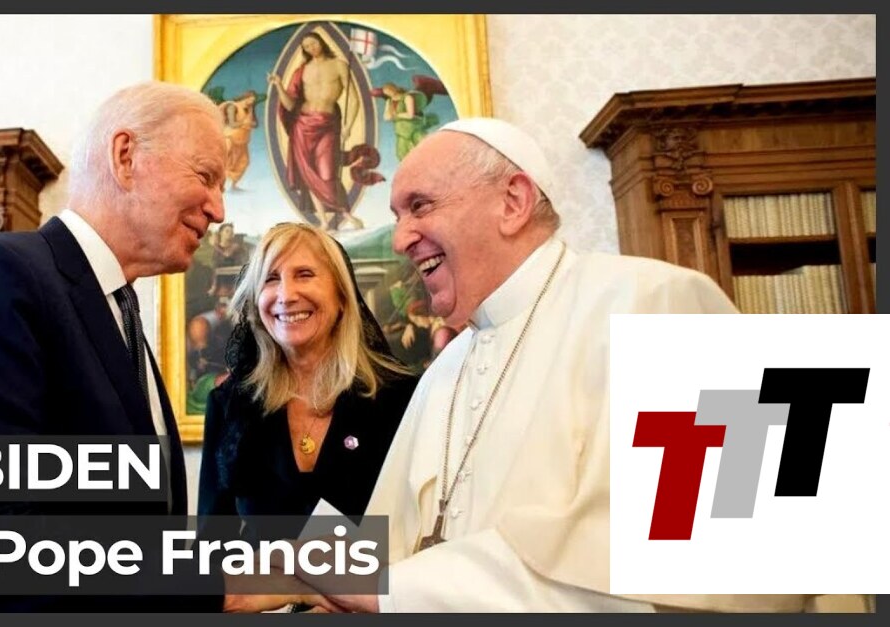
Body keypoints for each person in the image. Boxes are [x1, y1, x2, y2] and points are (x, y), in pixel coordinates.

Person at [296, 118, 827, 613]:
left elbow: (732, 561)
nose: (400, 239)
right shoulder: (445, 369)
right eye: (398, 216)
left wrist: (394, 592)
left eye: (421, 205)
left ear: (513, 201)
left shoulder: (655, 301)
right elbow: (391, 553)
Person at [0, 81, 321, 613]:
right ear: (125, 157)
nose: (217, 209)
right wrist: (220, 587)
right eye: (207, 177)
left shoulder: (121, 314)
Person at [198, 222, 419, 545]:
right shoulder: (230, 404)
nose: (286, 295)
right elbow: (210, 545)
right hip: (257, 580)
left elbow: (420, 532)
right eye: (271, 279)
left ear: (342, 296)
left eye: (304, 274)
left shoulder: (402, 398)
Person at [268, 32, 365, 232]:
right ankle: (323, 221)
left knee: (327, 172)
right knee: (308, 174)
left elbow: (354, 99)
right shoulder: (302, 71)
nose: (311, 48)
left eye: (313, 43)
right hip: (302, 125)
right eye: (306, 46)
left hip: (327, 124)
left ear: (322, 42)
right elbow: (289, 105)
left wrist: (348, 126)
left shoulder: (339, 65)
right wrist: (278, 85)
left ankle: (346, 214)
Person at [219, 90, 259, 190]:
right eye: (250, 100)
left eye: (253, 101)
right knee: (226, 160)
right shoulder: (233, 106)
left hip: (242, 140)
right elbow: (232, 124)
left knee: (244, 162)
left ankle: (232, 184)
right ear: (246, 97)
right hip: (230, 137)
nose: (251, 103)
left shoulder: (249, 109)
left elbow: (255, 124)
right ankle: (221, 182)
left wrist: (250, 113)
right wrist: (245, 123)